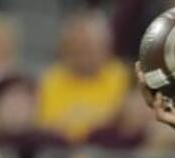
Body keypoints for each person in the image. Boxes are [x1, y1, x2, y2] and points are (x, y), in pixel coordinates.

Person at [37, 10, 129, 142]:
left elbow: (125, 125)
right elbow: (48, 126)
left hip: (110, 156)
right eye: (75, 48)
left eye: (88, 48)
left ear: (106, 48)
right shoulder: (51, 79)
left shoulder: (122, 77)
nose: (83, 56)